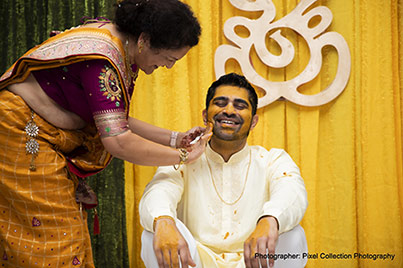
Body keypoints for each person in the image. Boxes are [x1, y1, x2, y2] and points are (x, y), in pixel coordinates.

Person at [0, 0, 211, 267]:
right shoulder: (103, 60)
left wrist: (174, 138)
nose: (168, 67)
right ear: (145, 40)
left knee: (67, 230)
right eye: (168, 59)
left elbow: (114, 120)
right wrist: (182, 155)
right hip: (23, 130)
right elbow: (118, 141)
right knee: (51, 239)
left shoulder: (117, 43)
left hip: (43, 133)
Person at [139, 73, 308, 268]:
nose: (228, 110)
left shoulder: (272, 160)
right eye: (220, 103)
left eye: (240, 105)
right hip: (195, 261)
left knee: (294, 235)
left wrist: (270, 219)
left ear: (253, 122)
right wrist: (164, 221)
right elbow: (159, 192)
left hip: (252, 261)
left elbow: (292, 193)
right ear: (205, 115)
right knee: (155, 230)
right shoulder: (184, 157)